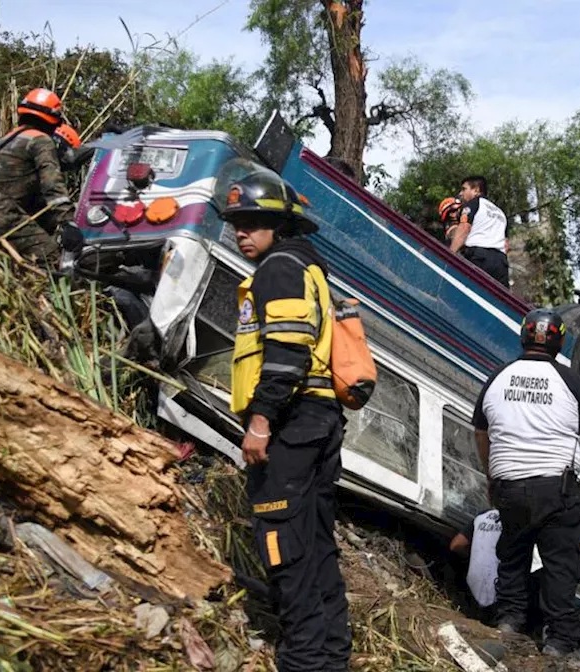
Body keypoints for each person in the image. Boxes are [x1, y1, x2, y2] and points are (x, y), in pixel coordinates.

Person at [223, 167, 349, 672]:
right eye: (237, 222)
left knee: (282, 541)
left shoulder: (279, 268)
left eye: (252, 222)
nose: (240, 231)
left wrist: (261, 422)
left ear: (279, 225)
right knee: (316, 540)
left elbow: (286, 354)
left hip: (292, 423)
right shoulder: (309, 267)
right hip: (319, 420)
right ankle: (331, 656)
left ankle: (302, 660)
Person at [473, 308, 580, 659]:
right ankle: (560, 643)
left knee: (514, 555)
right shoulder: (571, 381)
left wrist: (493, 475)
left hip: (509, 487)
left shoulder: (498, 378)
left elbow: (481, 431)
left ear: (523, 337)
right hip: (556, 489)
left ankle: (509, 623)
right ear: (560, 341)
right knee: (561, 564)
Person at [0, 87, 75, 265]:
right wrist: (68, 222)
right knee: (53, 259)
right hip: (1, 217)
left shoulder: (5, 140)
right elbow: (52, 184)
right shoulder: (40, 140)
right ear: (52, 120)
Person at [449, 175, 508, 285]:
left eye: (464, 189)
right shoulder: (500, 213)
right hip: (501, 263)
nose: (461, 193)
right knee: (497, 299)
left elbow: (464, 229)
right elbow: (506, 244)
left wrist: (449, 255)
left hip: (479, 258)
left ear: (476, 190)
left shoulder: (473, 204)